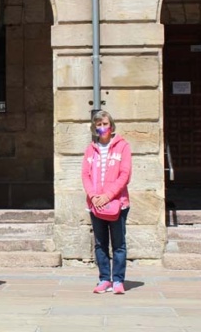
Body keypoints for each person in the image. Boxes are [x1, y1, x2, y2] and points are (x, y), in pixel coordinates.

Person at [81, 110, 132, 295]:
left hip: (117, 203)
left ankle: (118, 280)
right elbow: (85, 175)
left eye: (104, 124)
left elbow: (124, 175)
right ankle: (104, 279)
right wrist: (93, 195)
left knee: (118, 244)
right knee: (100, 244)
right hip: (95, 204)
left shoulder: (123, 146)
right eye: (98, 125)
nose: (102, 128)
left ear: (111, 126)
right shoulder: (90, 149)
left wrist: (108, 196)